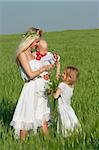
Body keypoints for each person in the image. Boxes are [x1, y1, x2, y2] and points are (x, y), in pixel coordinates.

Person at [10, 27, 54, 140]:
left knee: (43, 116)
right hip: (31, 88)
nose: (37, 44)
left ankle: (48, 142)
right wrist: (43, 68)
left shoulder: (33, 54)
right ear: (30, 40)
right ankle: (22, 144)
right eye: (36, 41)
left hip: (41, 87)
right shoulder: (22, 54)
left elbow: (40, 68)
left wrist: (46, 74)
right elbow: (30, 74)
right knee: (27, 117)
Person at [30, 39, 60, 135]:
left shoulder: (48, 55)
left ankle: (45, 132)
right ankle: (36, 127)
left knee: (44, 106)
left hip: (46, 83)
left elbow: (55, 64)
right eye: (43, 50)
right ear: (37, 49)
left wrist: (56, 66)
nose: (46, 52)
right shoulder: (33, 56)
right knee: (38, 105)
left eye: (46, 49)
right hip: (38, 82)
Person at [54, 66, 81, 137]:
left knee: (63, 122)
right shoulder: (71, 86)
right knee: (70, 119)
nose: (62, 75)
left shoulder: (62, 85)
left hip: (62, 107)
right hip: (68, 107)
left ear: (69, 77)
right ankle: (73, 133)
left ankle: (65, 135)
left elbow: (55, 96)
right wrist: (58, 67)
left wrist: (53, 92)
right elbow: (58, 78)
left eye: (64, 74)